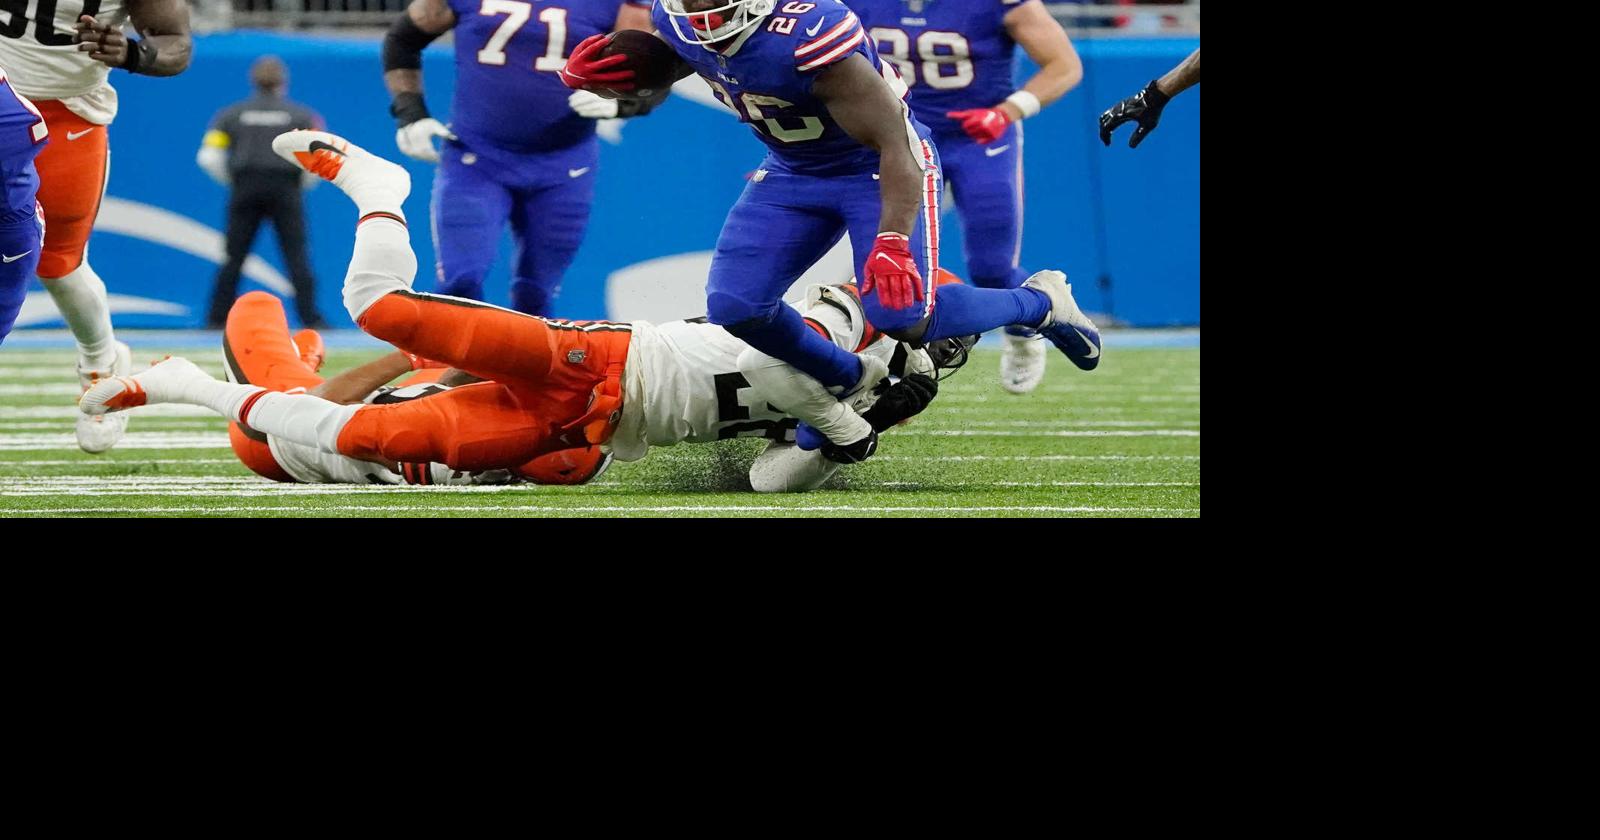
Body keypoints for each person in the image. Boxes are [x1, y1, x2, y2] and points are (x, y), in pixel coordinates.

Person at [0, 1, 193, 452]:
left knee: (58, 265)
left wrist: (132, 54)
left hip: (67, 111)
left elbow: (176, 44)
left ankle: (101, 363)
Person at [197, 55, 328, 328]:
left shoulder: (230, 114)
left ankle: (216, 319)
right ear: (284, 82)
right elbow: (319, 157)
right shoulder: (302, 115)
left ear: (253, 81)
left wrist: (235, 180)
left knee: (233, 256)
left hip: (245, 186)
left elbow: (208, 157)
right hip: (286, 188)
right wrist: (300, 184)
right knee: (296, 255)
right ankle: (311, 319)